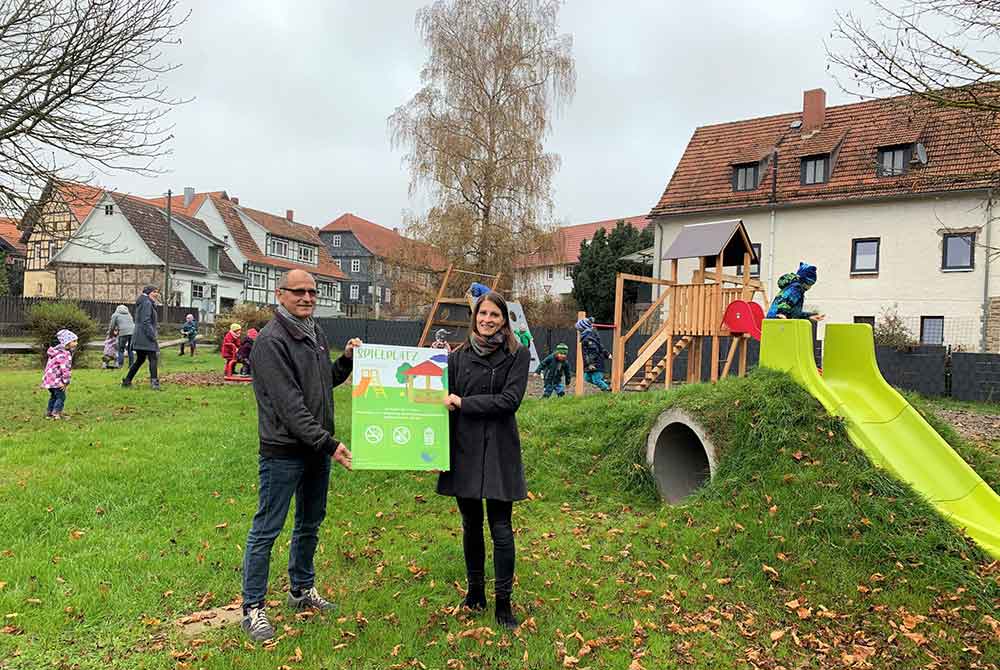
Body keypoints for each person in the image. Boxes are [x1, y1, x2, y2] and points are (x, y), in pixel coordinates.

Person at [241, 269, 361, 643]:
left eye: (312, 291)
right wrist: (330, 444)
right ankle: (253, 608)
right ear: (281, 295)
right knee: (267, 529)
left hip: (314, 450)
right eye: (299, 292)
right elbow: (291, 408)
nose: (307, 297)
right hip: (283, 452)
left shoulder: (314, 332)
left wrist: (347, 361)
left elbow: (321, 382)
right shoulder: (271, 341)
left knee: (310, 522)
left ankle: (301, 590)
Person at [437, 291, 530, 631]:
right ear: (474, 318)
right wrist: (435, 451)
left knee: (501, 528)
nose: (488, 320)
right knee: (470, 524)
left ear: (504, 320)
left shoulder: (516, 356)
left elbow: (509, 401)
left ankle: (503, 604)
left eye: (495, 315)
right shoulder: (458, 357)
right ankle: (475, 593)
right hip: (465, 448)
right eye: (482, 314)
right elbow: (442, 405)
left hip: (500, 449)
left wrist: (464, 403)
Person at [122, 285, 161, 390]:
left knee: (140, 359)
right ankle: (154, 384)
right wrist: (152, 335)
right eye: (154, 291)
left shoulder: (144, 302)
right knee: (153, 358)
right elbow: (145, 321)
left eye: (157, 292)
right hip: (145, 336)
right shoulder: (147, 303)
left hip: (139, 336)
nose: (156, 294)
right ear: (148, 292)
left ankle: (127, 381)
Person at [42, 329, 77, 420]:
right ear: (66, 343)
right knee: (61, 397)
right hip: (57, 380)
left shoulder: (56, 352)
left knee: (54, 396)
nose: (76, 343)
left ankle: (49, 412)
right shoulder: (64, 354)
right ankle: (56, 413)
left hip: (49, 380)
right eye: (74, 341)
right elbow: (65, 369)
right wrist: (65, 382)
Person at [576, 317, 611, 392]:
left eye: (579, 330)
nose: (578, 331)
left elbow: (593, 352)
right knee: (587, 378)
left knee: (596, 380)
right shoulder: (587, 337)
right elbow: (600, 346)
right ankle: (605, 383)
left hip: (595, 363)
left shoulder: (588, 339)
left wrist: (591, 364)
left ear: (583, 329)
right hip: (590, 363)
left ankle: (608, 390)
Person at [109, 304, 135, 369]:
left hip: (123, 332)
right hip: (133, 332)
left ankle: (120, 365)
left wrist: (111, 334)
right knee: (130, 349)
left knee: (121, 349)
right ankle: (131, 365)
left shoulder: (115, 315)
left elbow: (112, 326)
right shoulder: (129, 315)